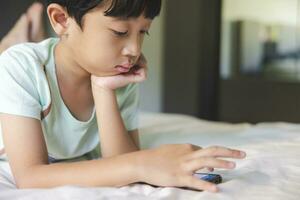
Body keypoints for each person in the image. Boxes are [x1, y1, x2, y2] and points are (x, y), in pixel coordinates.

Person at [0, 0, 246, 192]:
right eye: (119, 32)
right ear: (62, 19)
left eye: (143, 32)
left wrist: (104, 89)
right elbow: (30, 177)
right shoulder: (20, 67)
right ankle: (19, 35)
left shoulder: (119, 72)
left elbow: (119, 160)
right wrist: (144, 163)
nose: (135, 50)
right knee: (10, 54)